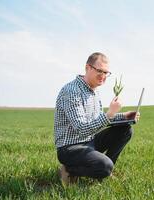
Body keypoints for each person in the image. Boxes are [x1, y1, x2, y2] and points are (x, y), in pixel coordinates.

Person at [54, 52, 139, 185]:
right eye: (99, 71)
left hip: (90, 141)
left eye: (106, 73)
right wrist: (110, 113)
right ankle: (69, 170)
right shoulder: (71, 91)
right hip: (70, 148)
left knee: (126, 130)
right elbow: (82, 128)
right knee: (104, 166)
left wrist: (125, 116)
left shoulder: (94, 91)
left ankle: (105, 170)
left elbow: (99, 119)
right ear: (87, 68)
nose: (103, 76)